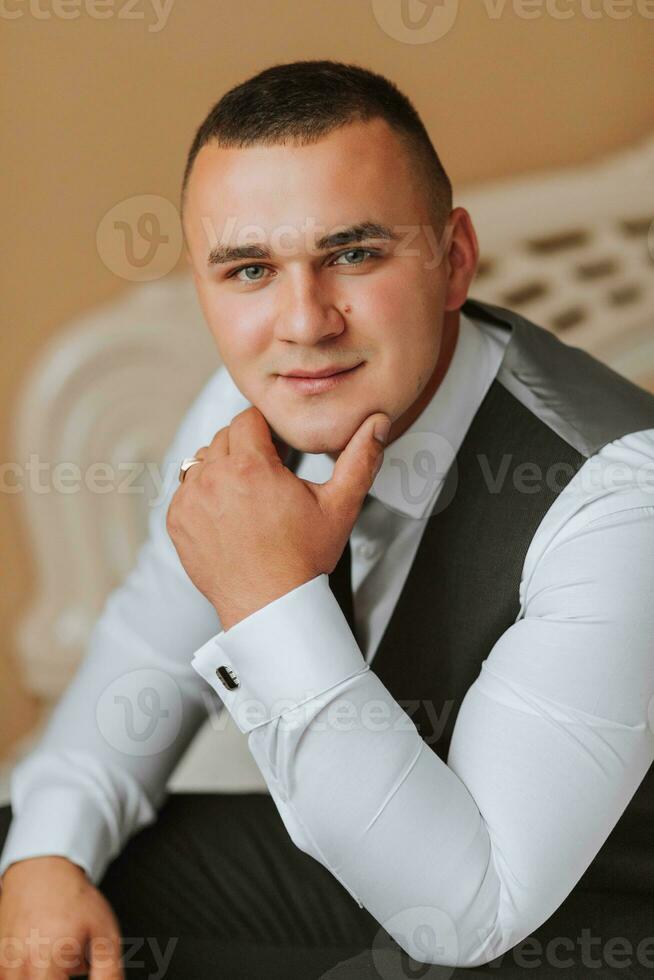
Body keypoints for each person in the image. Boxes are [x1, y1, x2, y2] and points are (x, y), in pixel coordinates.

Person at [1, 58, 653, 980]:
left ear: (454, 259)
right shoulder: (261, 407)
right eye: (251, 270)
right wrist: (47, 856)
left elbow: (470, 916)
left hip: (581, 931)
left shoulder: (622, 501)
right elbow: (144, 656)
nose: (303, 323)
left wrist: (269, 594)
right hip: (373, 885)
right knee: (35, 871)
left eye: (352, 254)